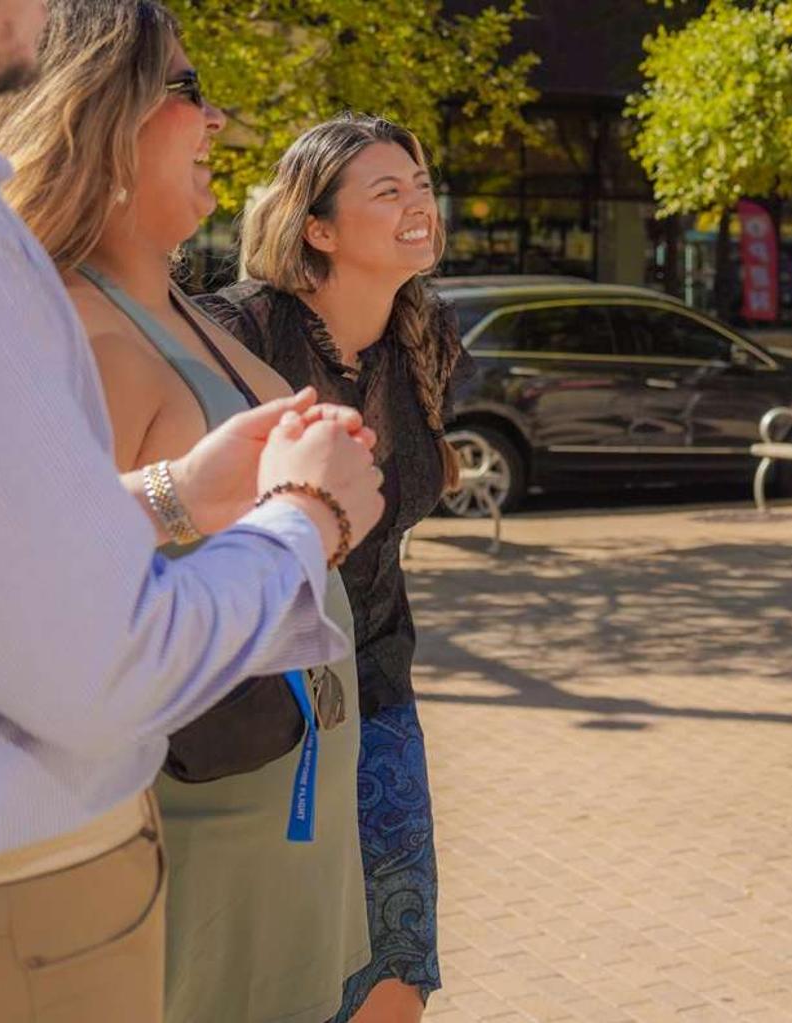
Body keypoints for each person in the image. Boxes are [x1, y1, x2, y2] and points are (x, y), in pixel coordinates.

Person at [0, 1, 384, 1020]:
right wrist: (306, 514)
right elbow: (102, 663)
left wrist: (173, 494)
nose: (220, 122)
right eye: (189, 90)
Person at [0, 3, 373, 1020]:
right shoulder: (79, 331)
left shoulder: (179, 303)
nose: (220, 118)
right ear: (104, 107)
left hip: (289, 802)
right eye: (191, 89)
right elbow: (60, 613)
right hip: (206, 818)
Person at [197, 113, 463, 1023]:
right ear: (317, 227)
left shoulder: (426, 334)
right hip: (261, 713)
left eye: (421, 186)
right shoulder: (235, 331)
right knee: (271, 980)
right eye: (387, 192)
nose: (417, 205)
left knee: (396, 964)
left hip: (380, 689)